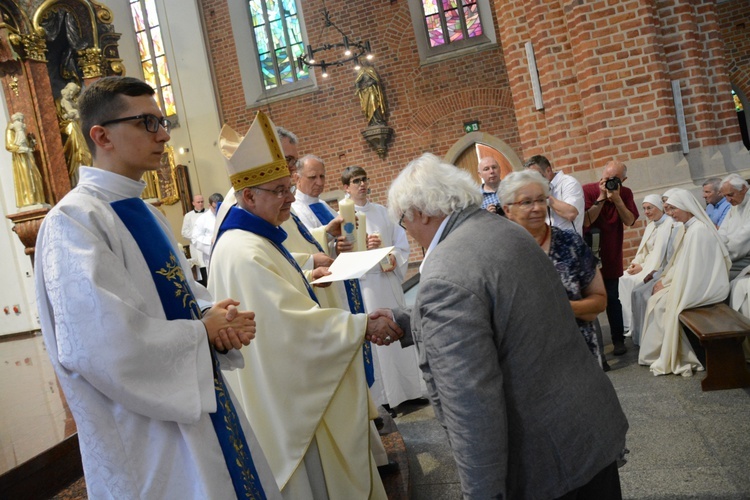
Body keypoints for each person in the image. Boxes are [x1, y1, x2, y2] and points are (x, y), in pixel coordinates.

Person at [34, 76, 280, 499]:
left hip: (196, 403)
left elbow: (181, 299)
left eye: (162, 121)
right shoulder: (74, 222)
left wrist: (214, 324)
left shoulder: (146, 211)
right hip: (145, 434)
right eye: (148, 122)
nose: (164, 134)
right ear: (101, 135)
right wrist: (201, 332)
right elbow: (101, 345)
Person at [381, 153, 627, 499]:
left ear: (420, 212)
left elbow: (470, 402)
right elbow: (501, 306)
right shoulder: (502, 230)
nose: (406, 229)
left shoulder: (446, 271)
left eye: (404, 220)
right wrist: (403, 319)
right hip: (584, 428)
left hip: (546, 459)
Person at [209, 112, 399, 499]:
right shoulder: (243, 251)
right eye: (281, 190)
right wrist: (362, 325)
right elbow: (291, 328)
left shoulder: (256, 238)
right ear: (248, 196)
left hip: (288, 390)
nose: (292, 196)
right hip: (288, 399)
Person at [341, 165, 425, 415]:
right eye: (356, 181)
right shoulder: (342, 218)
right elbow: (341, 256)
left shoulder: (383, 213)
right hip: (365, 287)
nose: (362, 184)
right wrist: (361, 247)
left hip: (386, 283)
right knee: (377, 343)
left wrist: (384, 248)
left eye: (364, 179)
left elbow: (402, 248)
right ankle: (385, 398)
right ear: (346, 187)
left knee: (399, 332)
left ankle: (410, 391)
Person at [500, 169, 606, 362]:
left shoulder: (570, 243)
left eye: (541, 200)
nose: (537, 208)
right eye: (526, 202)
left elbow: (599, 300)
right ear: (507, 210)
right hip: (528, 363)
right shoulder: (500, 253)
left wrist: (563, 307)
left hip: (579, 355)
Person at [638, 189, 730, 376]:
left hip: (705, 287)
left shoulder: (698, 231)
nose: (670, 214)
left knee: (663, 304)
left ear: (685, 207)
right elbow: (683, 264)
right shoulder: (690, 228)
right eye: (668, 209)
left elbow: (694, 270)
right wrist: (666, 281)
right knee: (657, 301)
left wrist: (669, 286)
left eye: (673, 209)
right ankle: (663, 351)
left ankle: (681, 354)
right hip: (694, 281)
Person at [583, 160, 639, 355]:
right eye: (606, 178)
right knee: (589, 300)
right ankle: (594, 345)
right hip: (590, 253)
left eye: (614, 180)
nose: (609, 183)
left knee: (613, 299)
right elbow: (586, 220)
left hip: (612, 253)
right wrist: (601, 197)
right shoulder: (588, 190)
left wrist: (617, 199)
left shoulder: (625, 193)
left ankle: (618, 341)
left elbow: (630, 220)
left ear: (623, 180)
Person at [619, 194, 673, 337]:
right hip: (644, 264)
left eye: (650, 208)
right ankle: (629, 323)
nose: (646, 212)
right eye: (644, 209)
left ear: (660, 207)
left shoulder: (669, 225)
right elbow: (644, 251)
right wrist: (636, 264)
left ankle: (639, 324)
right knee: (622, 278)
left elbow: (661, 257)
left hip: (654, 267)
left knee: (636, 282)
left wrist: (642, 268)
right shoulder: (651, 225)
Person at [524, 154, 585, 235]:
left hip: (569, 243)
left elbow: (571, 214)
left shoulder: (569, 183)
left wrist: (545, 196)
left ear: (548, 170)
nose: (534, 181)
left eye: (536, 176)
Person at [6, 111, 46, 207]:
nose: (22, 121)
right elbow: (9, 145)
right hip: (21, 157)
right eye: (21, 118)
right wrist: (22, 149)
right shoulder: (10, 130)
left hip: (28, 155)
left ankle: (38, 198)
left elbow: (23, 141)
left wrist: (30, 144)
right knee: (26, 177)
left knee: (36, 176)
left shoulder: (20, 130)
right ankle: (29, 200)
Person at [58, 82, 92, 188]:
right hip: (71, 128)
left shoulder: (72, 101)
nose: (72, 93)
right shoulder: (62, 101)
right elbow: (67, 115)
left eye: (74, 92)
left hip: (78, 127)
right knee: (79, 152)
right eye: (71, 90)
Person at [718, 173, 750, 279]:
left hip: (744, 256)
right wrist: (717, 247)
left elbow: (744, 238)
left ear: (744, 189)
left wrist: (721, 255)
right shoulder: (735, 204)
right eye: (725, 196)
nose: (728, 200)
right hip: (731, 253)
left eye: (730, 195)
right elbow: (722, 230)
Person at [192, 192, 223, 269]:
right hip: (212, 257)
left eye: (221, 206)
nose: (218, 210)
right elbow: (195, 238)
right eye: (215, 207)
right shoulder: (202, 219)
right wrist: (213, 242)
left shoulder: (228, 214)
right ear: (209, 205)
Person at [181, 194, 207, 284]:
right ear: (193, 203)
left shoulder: (209, 213)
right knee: (200, 268)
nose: (200, 204)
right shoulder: (188, 216)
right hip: (196, 246)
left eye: (202, 201)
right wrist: (197, 236)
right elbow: (184, 232)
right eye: (198, 202)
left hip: (208, 244)